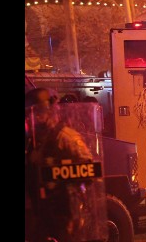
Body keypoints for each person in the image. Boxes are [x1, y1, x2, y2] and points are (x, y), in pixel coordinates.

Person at [25, 87, 95, 242]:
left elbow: (90, 171)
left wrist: (56, 173)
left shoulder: (65, 138)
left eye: (34, 113)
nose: (30, 119)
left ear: (46, 112)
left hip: (64, 220)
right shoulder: (34, 142)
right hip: (41, 219)